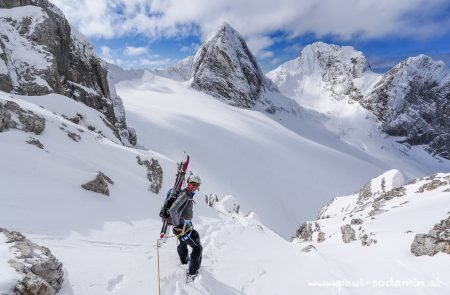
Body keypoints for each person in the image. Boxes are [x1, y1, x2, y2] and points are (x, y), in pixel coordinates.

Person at [169, 175, 203, 278]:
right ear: (188, 183)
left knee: (183, 242)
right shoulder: (185, 194)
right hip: (181, 228)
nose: (194, 186)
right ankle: (192, 273)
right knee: (197, 248)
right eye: (193, 184)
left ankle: (184, 261)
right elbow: (172, 210)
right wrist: (177, 226)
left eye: (197, 185)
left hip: (184, 227)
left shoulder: (189, 194)